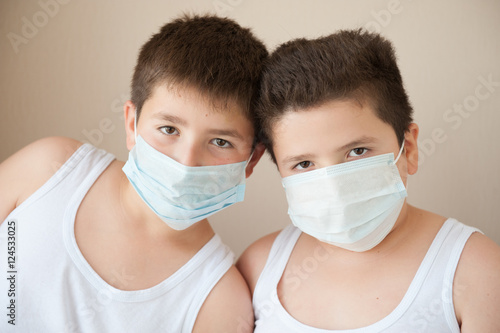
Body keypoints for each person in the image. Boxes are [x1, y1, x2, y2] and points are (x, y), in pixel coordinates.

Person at [0, 14, 267, 332]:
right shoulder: (48, 170)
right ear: (132, 124)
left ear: (251, 160)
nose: (185, 162)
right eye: (169, 128)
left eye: (220, 142)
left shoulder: (219, 302)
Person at [237, 29, 500, 332]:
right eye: (304, 164)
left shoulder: (477, 271)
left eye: (357, 151)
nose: (334, 187)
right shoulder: (258, 269)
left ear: (409, 149)